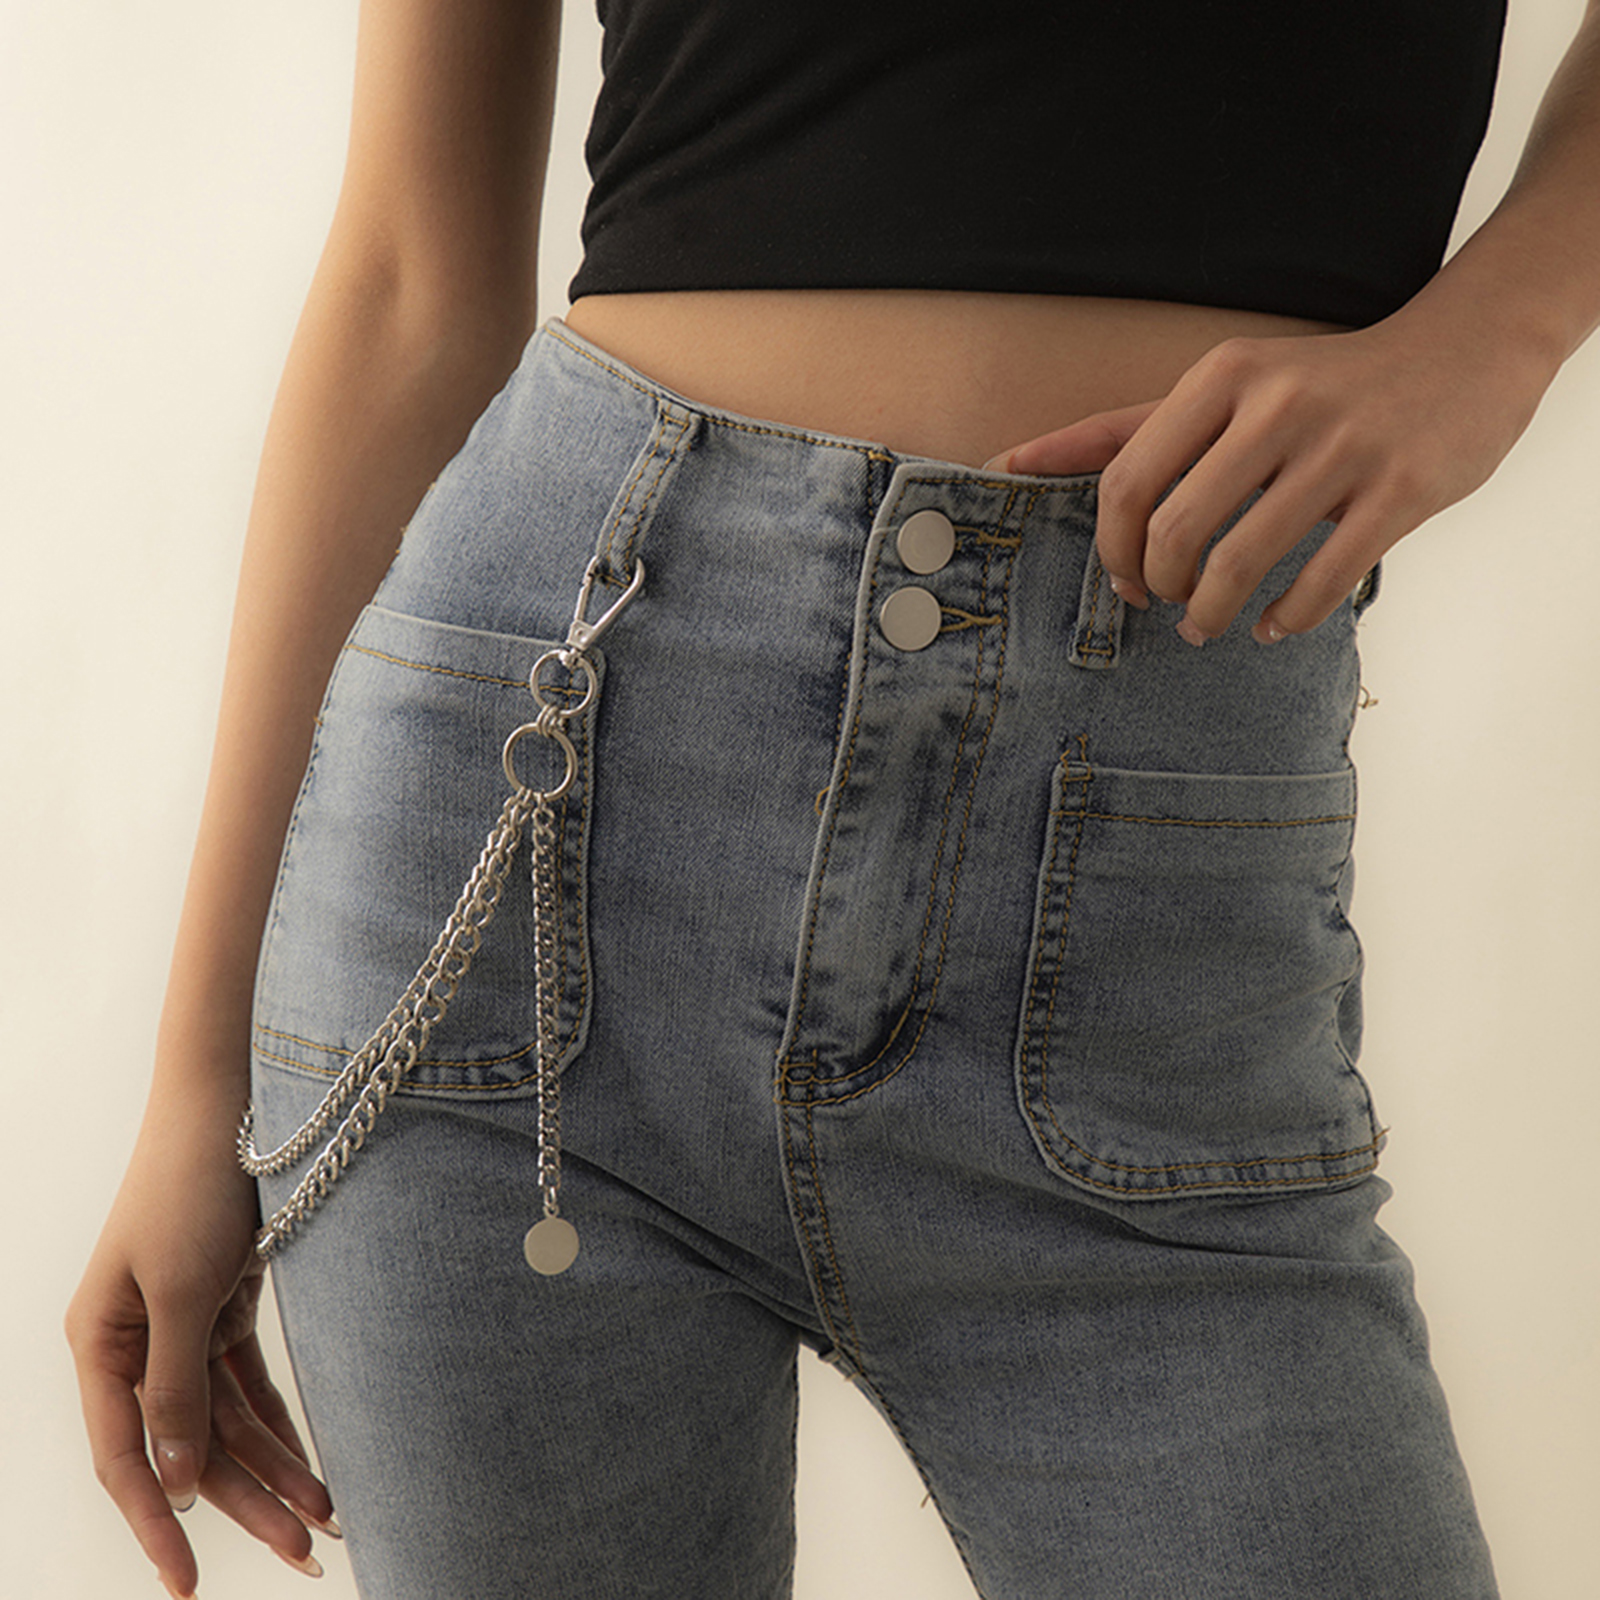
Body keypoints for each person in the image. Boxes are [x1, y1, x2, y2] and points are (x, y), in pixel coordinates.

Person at [65, 2, 1600, 1597]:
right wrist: (197, 1087)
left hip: (1149, 938)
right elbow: (408, 283)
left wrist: (1500, 325)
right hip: (519, 907)